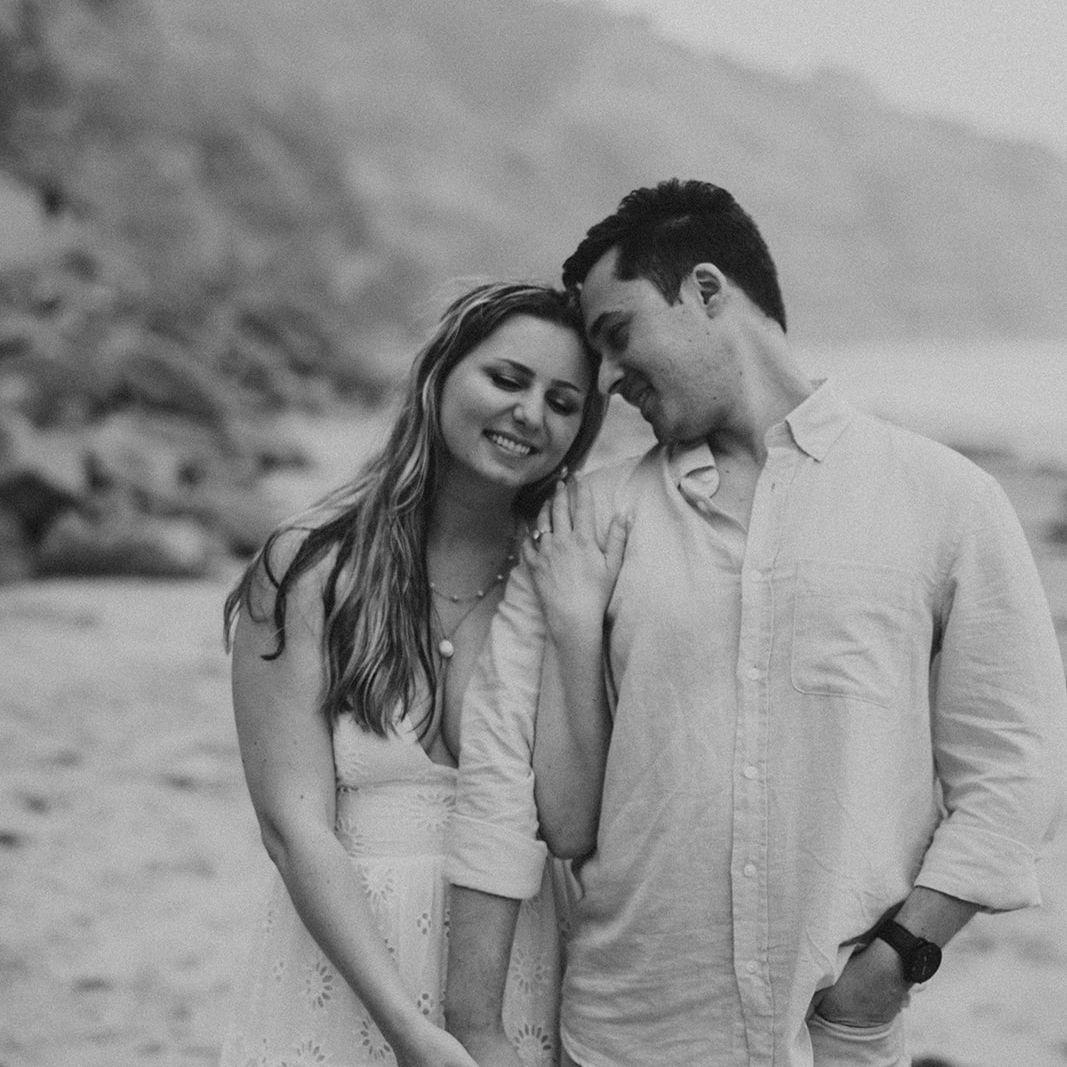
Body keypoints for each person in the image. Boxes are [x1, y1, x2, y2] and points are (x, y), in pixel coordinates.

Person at [444, 181, 1067, 1066]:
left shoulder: (946, 499)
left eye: (618, 335)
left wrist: (895, 960)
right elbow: (502, 781)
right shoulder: (591, 521)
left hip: (837, 1040)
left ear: (706, 289)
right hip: (628, 1034)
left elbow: (1016, 766)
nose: (608, 380)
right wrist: (474, 1024)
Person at [218, 281, 607, 1067]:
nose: (530, 413)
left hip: (522, 959)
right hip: (351, 965)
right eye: (507, 379)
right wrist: (409, 1029)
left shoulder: (568, 570)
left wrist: (576, 624)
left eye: (563, 402)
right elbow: (293, 828)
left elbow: (573, 820)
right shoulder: (311, 567)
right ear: (439, 375)